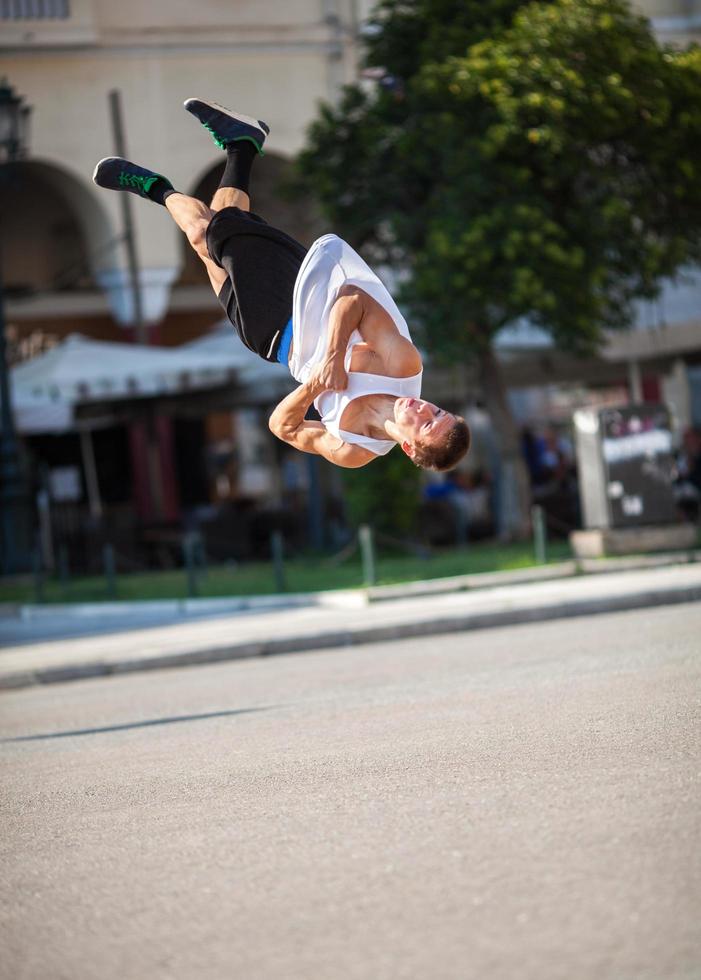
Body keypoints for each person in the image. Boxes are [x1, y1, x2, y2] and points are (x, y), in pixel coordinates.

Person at [93, 98, 470, 471]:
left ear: (408, 446)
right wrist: (333, 358)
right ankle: (155, 187)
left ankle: (242, 145)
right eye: (436, 410)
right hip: (299, 296)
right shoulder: (401, 367)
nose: (423, 408)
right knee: (206, 232)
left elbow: (282, 426)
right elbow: (353, 299)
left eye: (425, 424)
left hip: (270, 343)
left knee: (214, 243)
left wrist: (315, 386)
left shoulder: (354, 448)